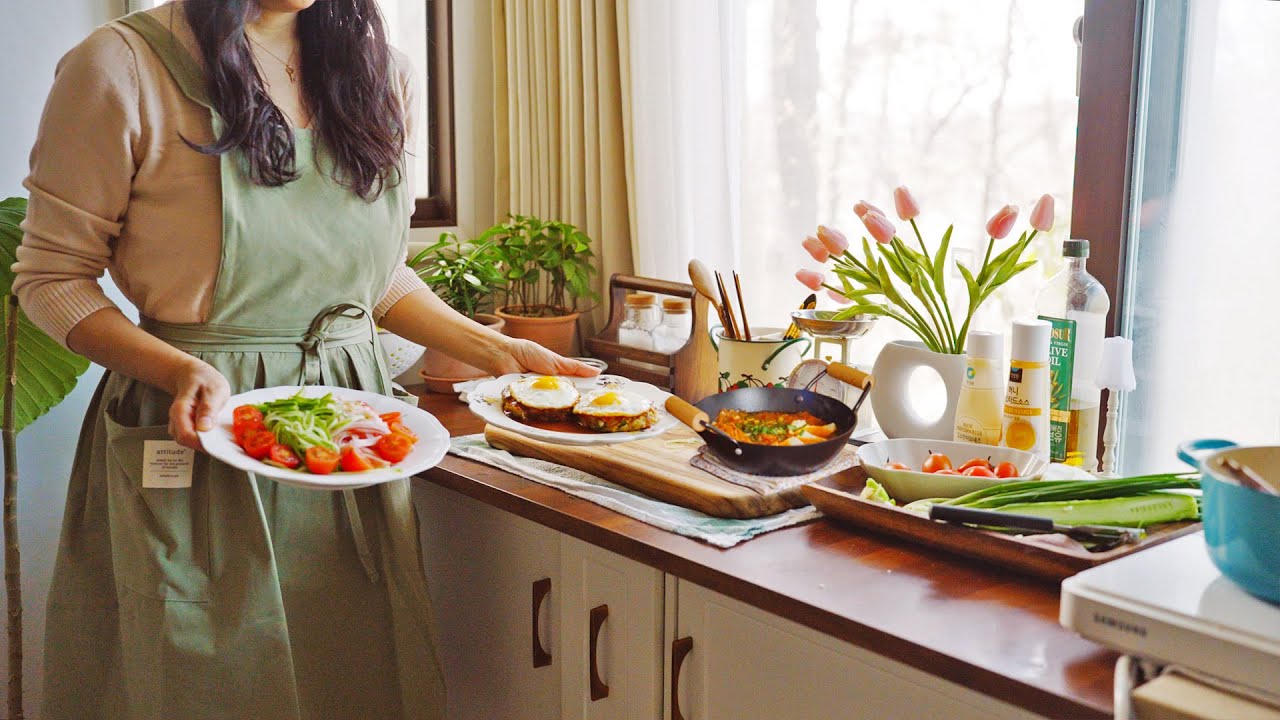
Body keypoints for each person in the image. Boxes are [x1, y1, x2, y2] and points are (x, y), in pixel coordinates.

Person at [13, 1, 597, 718]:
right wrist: (175, 368)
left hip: (353, 437)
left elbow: (372, 277)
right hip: (199, 428)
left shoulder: (380, 73)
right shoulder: (122, 64)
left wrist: (495, 348)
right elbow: (51, 279)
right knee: (204, 683)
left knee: (355, 673)